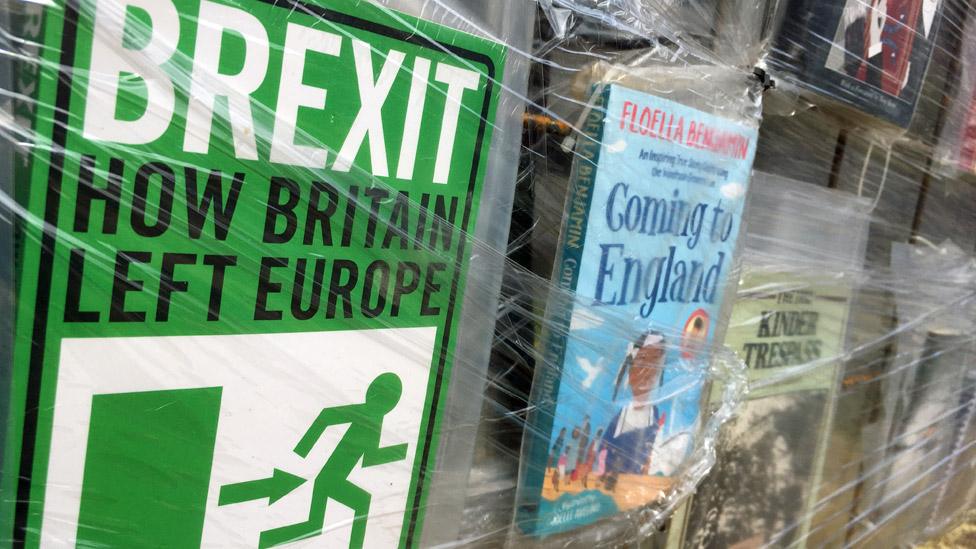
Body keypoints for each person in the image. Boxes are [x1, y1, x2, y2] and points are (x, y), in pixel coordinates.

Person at [255, 373, 408, 549]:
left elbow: (369, 457)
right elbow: (327, 416)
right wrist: (303, 448)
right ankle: (267, 540)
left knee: (314, 525)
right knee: (359, 504)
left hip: (331, 480)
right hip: (330, 480)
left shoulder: (376, 419)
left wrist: (400, 451)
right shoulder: (364, 412)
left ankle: (268, 539)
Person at [602, 331, 665, 491]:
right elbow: (604, 449)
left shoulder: (657, 417)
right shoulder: (619, 417)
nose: (647, 372)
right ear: (630, 371)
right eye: (643, 361)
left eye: (654, 363)